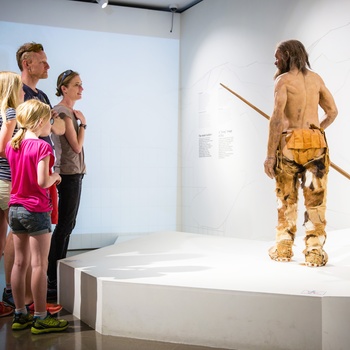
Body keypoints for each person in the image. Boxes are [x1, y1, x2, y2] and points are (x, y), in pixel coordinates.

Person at [264, 39, 338, 267]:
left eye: (277, 56)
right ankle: (314, 251)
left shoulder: (283, 80)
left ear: (287, 55)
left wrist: (270, 155)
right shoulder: (316, 79)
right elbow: (333, 112)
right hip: (316, 147)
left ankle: (284, 248)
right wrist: (315, 130)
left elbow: (277, 119)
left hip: (289, 147)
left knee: (287, 199)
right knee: (315, 202)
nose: (275, 60)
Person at [2, 42, 65, 309]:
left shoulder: (39, 96)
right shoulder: (15, 97)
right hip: (17, 180)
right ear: (27, 63)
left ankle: (24, 303)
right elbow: (8, 141)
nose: (48, 66)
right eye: (43, 61)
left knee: (23, 249)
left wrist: (53, 122)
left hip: (27, 180)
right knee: (23, 249)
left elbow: (58, 127)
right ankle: (25, 301)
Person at [6, 99, 68, 334]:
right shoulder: (43, 147)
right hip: (36, 210)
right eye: (49, 121)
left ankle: (20, 314)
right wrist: (56, 176)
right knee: (39, 265)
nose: (49, 125)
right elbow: (43, 181)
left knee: (19, 264)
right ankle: (41, 316)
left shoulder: (14, 145)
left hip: (15, 208)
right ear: (41, 121)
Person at [47, 70, 86, 296]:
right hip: (69, 173)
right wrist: (84, 124)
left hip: (73, 172)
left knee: (67, 225)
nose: (81, 89)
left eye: (81, 84)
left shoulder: (68, 112)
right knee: (64, 225)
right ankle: (53, 278)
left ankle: (55, 274)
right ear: (64, 88)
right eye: (77, 85)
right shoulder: (63, 112)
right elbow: (77, 146)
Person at [0, 71, 23, 318]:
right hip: (6, 180)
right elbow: (2, 148)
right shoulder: (9, 113)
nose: (23, 93)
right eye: (20, 88)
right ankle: (15, 297)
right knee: (12, 239)